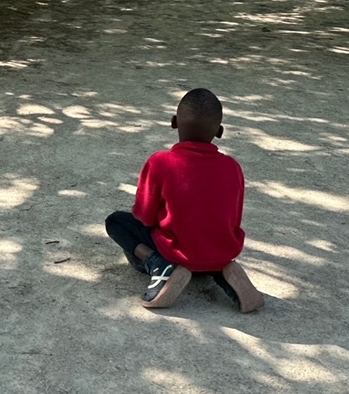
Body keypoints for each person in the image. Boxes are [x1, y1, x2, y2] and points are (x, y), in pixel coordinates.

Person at [104, 88, 264, 313]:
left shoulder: (161, 162)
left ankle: (158, 264)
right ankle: (224, 271)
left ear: (174, 122)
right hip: (220, 250)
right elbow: (234, 219)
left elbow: (146, 217)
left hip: (176, 252)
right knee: (207, 242)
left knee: (116, 222)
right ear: (219, 131)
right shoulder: (233, 167)